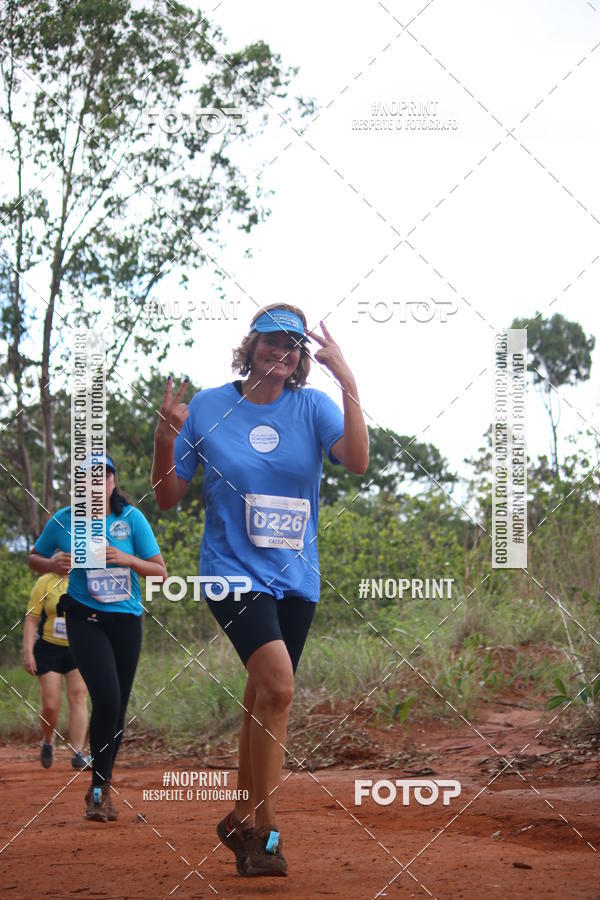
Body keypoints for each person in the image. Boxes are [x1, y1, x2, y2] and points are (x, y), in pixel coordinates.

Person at [152, 304, 368, 876]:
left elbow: (359, 460)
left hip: (295, 577)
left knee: (263, 697)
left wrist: (347, 381)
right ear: (250, 346)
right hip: (229, 571)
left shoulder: (314, 406)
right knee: (277, 684)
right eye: (271, 341)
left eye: (293, 346)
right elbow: (169, 496)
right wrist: (164, 437)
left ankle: (239, 817)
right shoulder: (209, 407)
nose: (282, 352)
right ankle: (267, 832)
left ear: (301, 359)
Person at [28, 453, 167, 822]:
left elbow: (160, 573)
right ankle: (97, 790)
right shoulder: (64, 520)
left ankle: (100, 789)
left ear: (113, 481)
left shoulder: (130, 519)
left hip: (126, 621)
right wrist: (52, 564)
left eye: (104, 476)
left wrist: (127, 559)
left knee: (117, 707)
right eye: (88, 479)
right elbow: (34, 558)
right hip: (84, 617)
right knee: (105, 696)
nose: (97, 483)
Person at [23, 572, 90, 770]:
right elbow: (32, 619)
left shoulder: (86, 579)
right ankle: (48, 741)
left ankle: (78, 754)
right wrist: (28, 653)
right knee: (51, 705)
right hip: (48, 648)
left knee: (79, 696)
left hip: (78, 647)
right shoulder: (45, 582)